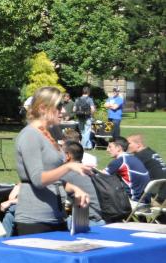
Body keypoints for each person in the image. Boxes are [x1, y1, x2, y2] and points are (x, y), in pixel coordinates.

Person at [14, 86, 92, 236]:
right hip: (35, 220)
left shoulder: (47, 134)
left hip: (56, 216)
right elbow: (38, 179)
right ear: (43, 108)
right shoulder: (30, 135)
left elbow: (53, 178)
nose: (63, 111)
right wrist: (69, 166)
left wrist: (73, 188)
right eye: (59, 106)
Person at [61, 140, 104, 226]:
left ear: (67, 155)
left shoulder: (68, 173)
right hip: (103, 218)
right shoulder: (89, 170)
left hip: (89, 221)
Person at [103, 137, 150, 202]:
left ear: (118, 148)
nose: (107, 150)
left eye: (110, 147)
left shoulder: (120, 161)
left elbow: (101, 176)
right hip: (145, 200)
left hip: (134, 201)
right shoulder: (133, 157)